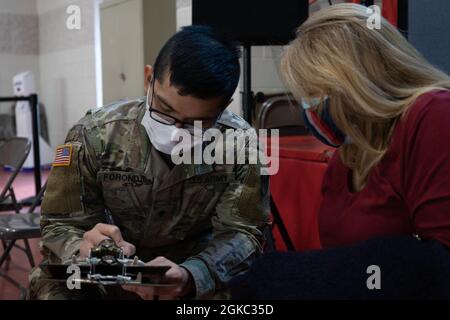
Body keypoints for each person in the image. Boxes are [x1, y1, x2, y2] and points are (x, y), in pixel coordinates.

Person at [29, 26, 270, 300]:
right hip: (102, 273)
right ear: (148, 80)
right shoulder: (94, 134)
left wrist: (193, 274)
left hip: (191, 273)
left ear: (223, 106)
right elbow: (59, 224)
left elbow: (243, 232)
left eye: (195, 124)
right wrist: (83, 248)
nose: (176, 132)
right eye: (165, 111)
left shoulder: (242, 145)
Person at [230, 3, 450, 299]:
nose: (309, 108)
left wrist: (278, 275)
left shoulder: (434, 116)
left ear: (355, 83)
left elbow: (439, 264)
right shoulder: (347, 157)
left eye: (314, 93)